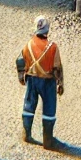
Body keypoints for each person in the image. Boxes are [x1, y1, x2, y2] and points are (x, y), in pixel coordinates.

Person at [16, 15, 64, 148]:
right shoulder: (52, 47)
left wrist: (21, 76)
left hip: (32, 79)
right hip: (48, 82)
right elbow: (57, 68)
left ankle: (27, 134)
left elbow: (20, 61)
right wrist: (60, 83)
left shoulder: (28, 45)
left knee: (29, 106)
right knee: (49, 109)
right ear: (47, 30)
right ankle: (48, 140)